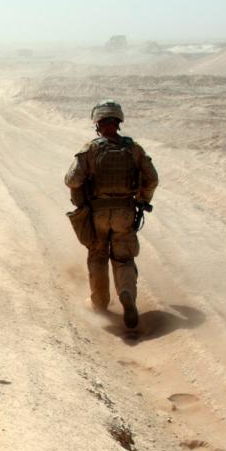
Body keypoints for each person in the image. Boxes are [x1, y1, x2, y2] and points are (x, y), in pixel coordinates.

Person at [65, 100, 160, 329]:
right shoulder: (133, 149)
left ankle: (100, 304)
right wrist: (143, 200)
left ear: (98, 124)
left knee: (97, 255)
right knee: (124, 258)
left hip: (97, 213)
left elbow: (72, 180)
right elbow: (152, 178)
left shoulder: (91, 149)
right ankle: (127, 294)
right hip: (125, 213)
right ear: (118, 122)